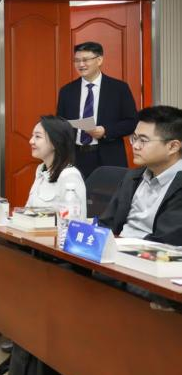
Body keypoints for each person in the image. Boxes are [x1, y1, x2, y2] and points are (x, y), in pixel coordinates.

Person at [98, 105, 182, 246]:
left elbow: (165, 241)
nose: (135, 146)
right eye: (134, 138)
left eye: (143, 140)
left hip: (151, 255)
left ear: (173, 147)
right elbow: (107, 223)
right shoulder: (133, 177)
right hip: (117, 250)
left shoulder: (178, 185)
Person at [56, 41, 138, 179]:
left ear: (99, 60)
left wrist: (106, 131)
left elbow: (132, 122)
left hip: (109, 156)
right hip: (75, 158)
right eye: (77, 60)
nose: (81, 64)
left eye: (85, 60)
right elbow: (60, 123)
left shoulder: (119, 88)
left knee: (108, 192)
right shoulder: (67, 91)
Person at [25, 115, 86, 214]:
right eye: (32, 136)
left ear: (55, 142)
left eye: (37, 136)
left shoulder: (70, 176)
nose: (31, 141)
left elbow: (75, 221)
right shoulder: (41, 169)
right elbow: (28, 211)